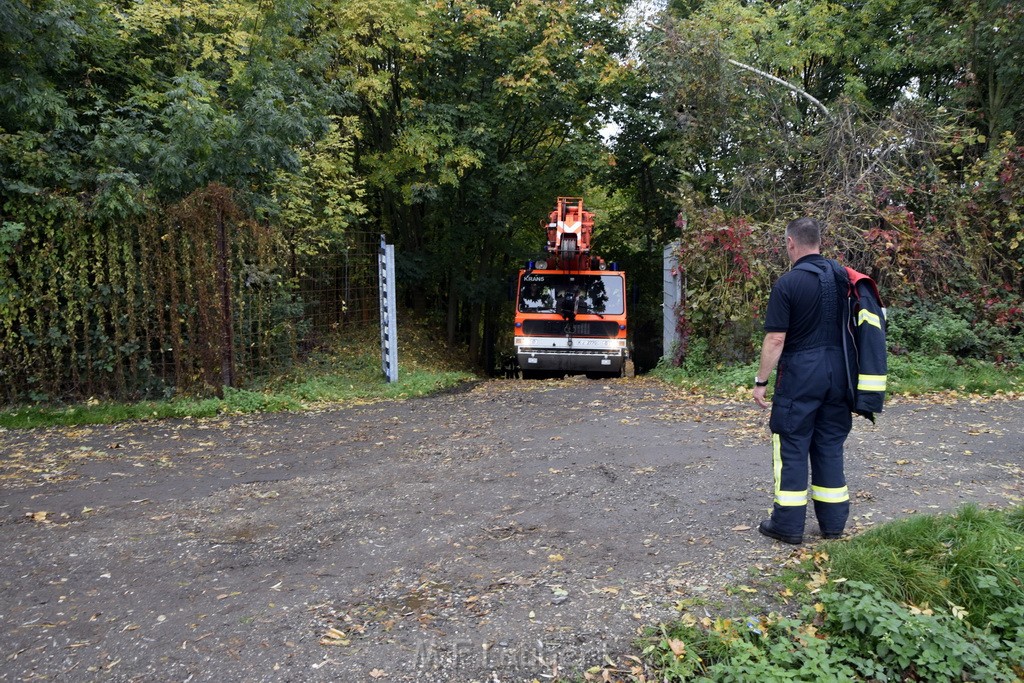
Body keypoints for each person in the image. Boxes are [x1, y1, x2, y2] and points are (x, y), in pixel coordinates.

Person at [752, 217, 851, 545]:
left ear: (791, 243)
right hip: (840, 373)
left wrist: (761, 381)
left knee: (792, 444)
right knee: (829, 444)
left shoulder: (788, 284)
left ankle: (788, 524)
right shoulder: (842, 277)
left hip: (801, 374)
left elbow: (776, 340)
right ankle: (833, 524)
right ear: (818, 241)